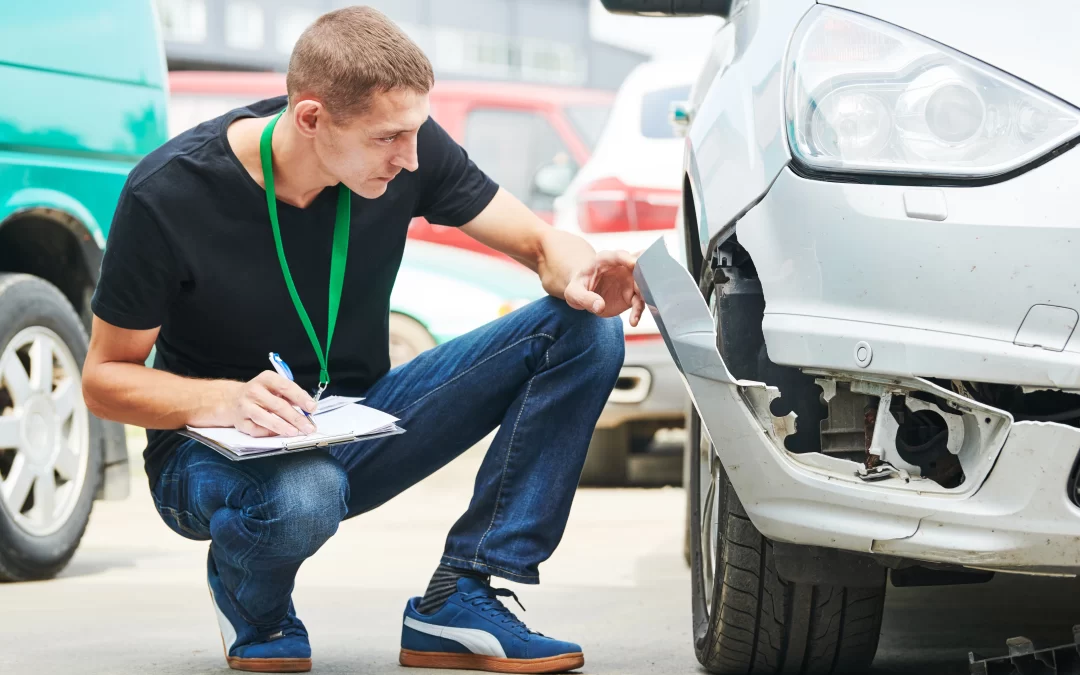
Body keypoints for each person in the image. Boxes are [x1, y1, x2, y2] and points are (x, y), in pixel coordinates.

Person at [82, 5, 644, 674]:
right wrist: (225, 400)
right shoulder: (168, 194)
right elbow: (104, 378)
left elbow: (538, 240)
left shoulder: (408, 148)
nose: (410, 159)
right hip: (208, 450)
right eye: (388, 139)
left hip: (355, 419)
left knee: (584, 330)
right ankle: (254, 606)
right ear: (312, 117)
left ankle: (462, 593)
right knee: (303, 491)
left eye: (415, 133)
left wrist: (578, 266)